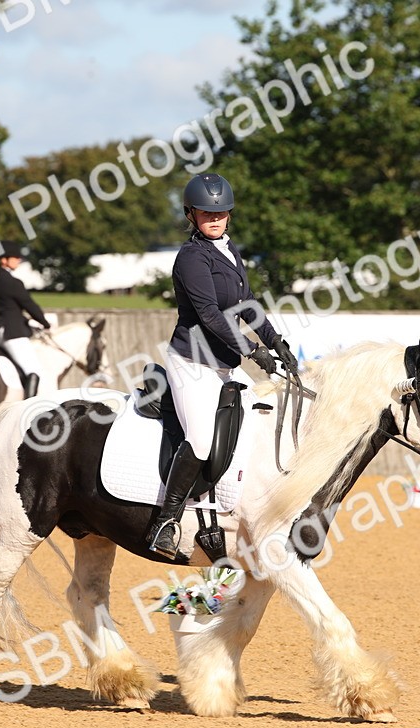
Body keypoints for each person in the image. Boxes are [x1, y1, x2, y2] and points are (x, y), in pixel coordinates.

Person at [147, 172, 298, 559]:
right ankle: (167, 520)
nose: (214, 219)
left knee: (255, 429)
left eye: (221, 213)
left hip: (224, 365)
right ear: (191, 214)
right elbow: (211, 314)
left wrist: (277, 344)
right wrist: (252, 350)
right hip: (192, 362)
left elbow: (247, 305)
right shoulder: (191, 257)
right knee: (201, 439)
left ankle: (229, 513)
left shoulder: (230, 252)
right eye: (205, 213)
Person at [0, 240, 51, 399]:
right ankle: (27, 409)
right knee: (34, 371)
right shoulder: (14, 283)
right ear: (3, 259)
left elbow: (8, 308)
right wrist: (45, 323)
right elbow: (30, 306)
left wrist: (26, 321)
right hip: (11, 333)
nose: (19, 259)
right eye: (14, 257)